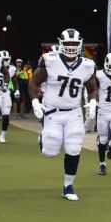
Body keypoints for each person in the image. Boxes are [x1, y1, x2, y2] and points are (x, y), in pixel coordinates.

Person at [29, 29, 97, 201]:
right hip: (53, 111)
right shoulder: (50, 61)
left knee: (74, 148)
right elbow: (34, 82)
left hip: (74, 113)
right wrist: (35, 101)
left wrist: (93, 101)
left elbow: (93, 88)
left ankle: (68, 186)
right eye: (68, 44)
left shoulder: (87, 65)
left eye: (74, 44)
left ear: (80, 44)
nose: (71, 47)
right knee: (49, 152)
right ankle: (43, 139)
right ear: (60, 44)